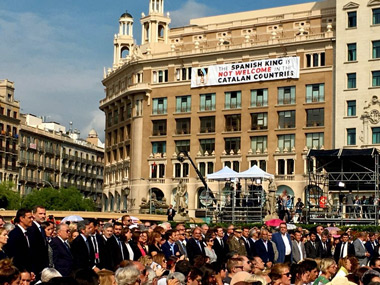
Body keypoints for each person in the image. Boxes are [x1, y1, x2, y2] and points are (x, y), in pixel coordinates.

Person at [4, 208, 33, 273]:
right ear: (21, 218)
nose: (32, 220)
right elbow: (15, 256)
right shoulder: (14, 234)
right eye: (29, 218)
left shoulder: (29, 233)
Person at [28, 206, 49, 279]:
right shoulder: (31, 228)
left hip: (42, 267)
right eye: (40, 214)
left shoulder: (41, 229)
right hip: (35, 268)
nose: (43, 216)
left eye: (44, 214)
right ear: (33, 215)